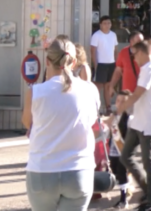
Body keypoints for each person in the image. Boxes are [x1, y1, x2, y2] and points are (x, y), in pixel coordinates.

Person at [22, 36, 101, 211]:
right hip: (79, 171)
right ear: (74, 63)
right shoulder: (90, 89)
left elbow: (28, 123)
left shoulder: (35, 92)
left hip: (42, 170)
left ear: (47, 61)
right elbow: (92, 123)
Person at [114, 40, 151, 211]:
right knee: (126, 156)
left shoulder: (150, 68)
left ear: (142, 53)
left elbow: (137, 94)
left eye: (134, 55)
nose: (134, 59)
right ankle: (149, 191)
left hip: (148, 122)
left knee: (148, 163)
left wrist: (118, 110)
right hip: (138, 121)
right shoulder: (147, 68)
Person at [107, 32, 144, 121]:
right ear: (131, 41)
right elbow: (118, 71)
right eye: (139, 41)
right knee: (127, 121)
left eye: (142, 41)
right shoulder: (124, 52)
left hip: (143, 93)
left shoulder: (148, 53)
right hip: (128, 95)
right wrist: (111, 86)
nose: (142, 43)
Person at [90, 17, 118, 110]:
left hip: (111, 64)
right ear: (100, 25)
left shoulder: (113, 35)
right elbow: (93, 51)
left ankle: (108, 107)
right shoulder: (96, 35)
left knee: (108, 86)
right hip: (100, 64)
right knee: (97, 87)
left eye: (109, 23)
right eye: (105, 23)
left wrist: (116, 63)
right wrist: (96, 64)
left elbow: (115, 50)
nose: (107, 25)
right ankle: (95, 108)